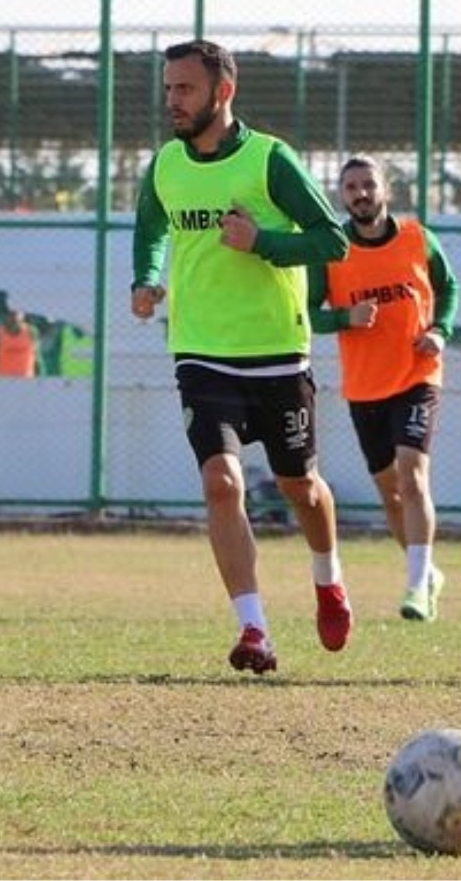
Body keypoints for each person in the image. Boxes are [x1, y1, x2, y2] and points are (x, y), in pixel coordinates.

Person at [131, 39, 352, 675]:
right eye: (168, 88)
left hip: (277, 350)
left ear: (223, 92)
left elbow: (332, 242)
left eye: (185, 89)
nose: (172, 100)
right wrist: (146, 279)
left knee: (299, 486)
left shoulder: (270, 160)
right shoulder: (166, 165)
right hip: (201, 351)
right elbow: (150, 229)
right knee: (221, 483)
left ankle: (328, 580)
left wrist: (263, 242)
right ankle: (254, 628)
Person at [307, 156, 460, 621]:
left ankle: (415, 588)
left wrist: (440, 331)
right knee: (390, 491)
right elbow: (308, 314)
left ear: (385, 190)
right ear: (341, 195)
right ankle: (426, 571)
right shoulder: (331, 251)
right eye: (351, 187)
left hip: (417, 375)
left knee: (412, 474)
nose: (361, 194)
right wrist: (344, 317)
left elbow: (448, 288)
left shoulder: (417, 238)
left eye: (368, 185)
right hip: (365, 386)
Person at [0, 306, 40, 377]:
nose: (14, 316)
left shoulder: (31, 331)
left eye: (17, 313)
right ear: (6, 315)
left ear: (23, 315)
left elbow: (37, 357)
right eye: (11, 313)